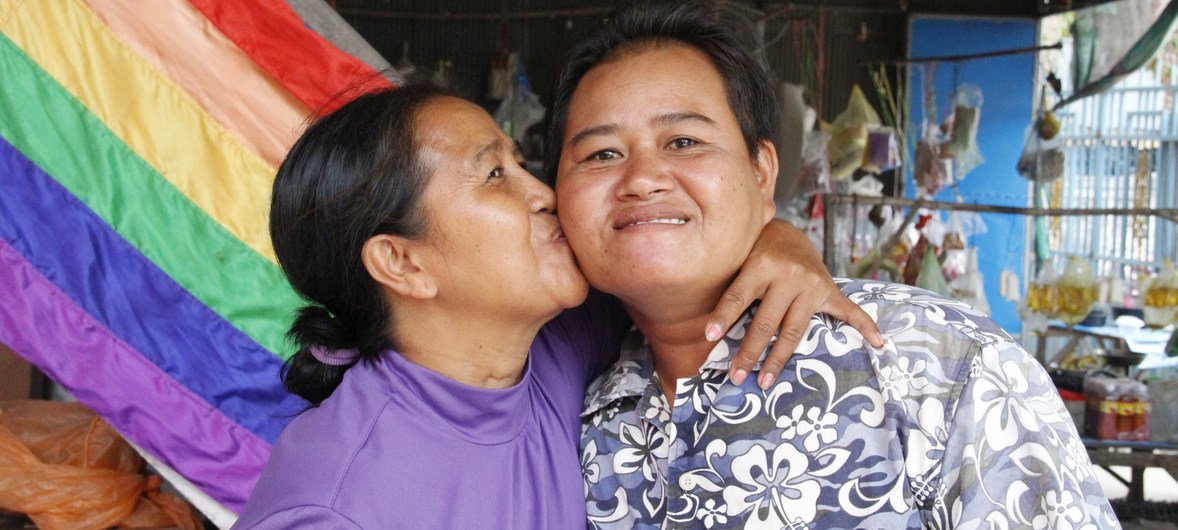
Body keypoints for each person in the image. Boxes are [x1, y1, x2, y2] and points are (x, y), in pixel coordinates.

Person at [550, 2, 1119, 528]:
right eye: (602, 154)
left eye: (683, 141)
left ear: (763, 173)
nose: (643, 178)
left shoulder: (937, 366)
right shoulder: (574, 410)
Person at [232, 81, 880, 527]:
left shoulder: (558, 339)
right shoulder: (335, 507)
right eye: (494, 176)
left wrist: (782, 239)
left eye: (521, 163)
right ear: (404, 262)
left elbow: (685, 251)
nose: (543, 193)